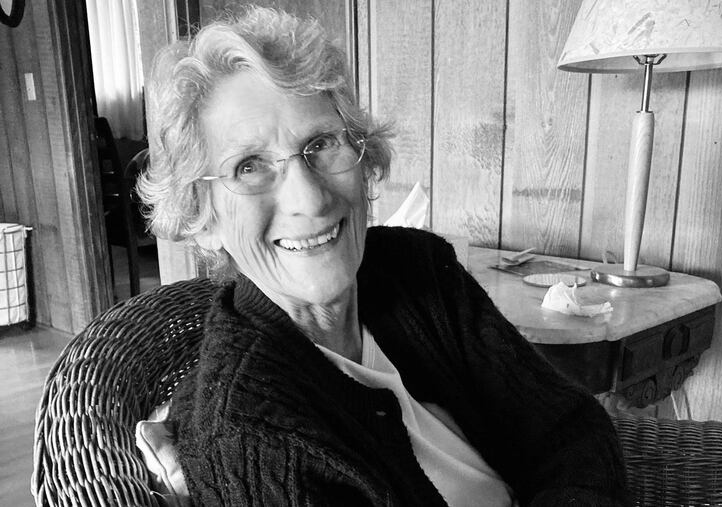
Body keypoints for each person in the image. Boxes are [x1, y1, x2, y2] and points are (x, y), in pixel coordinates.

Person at [137, 7, 629, 506]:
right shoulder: (247, 435)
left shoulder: (417, 269)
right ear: (204, 219)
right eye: (249, 167)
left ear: (362, 154)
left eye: (321, 144)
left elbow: (570, 431)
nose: (310, 200)